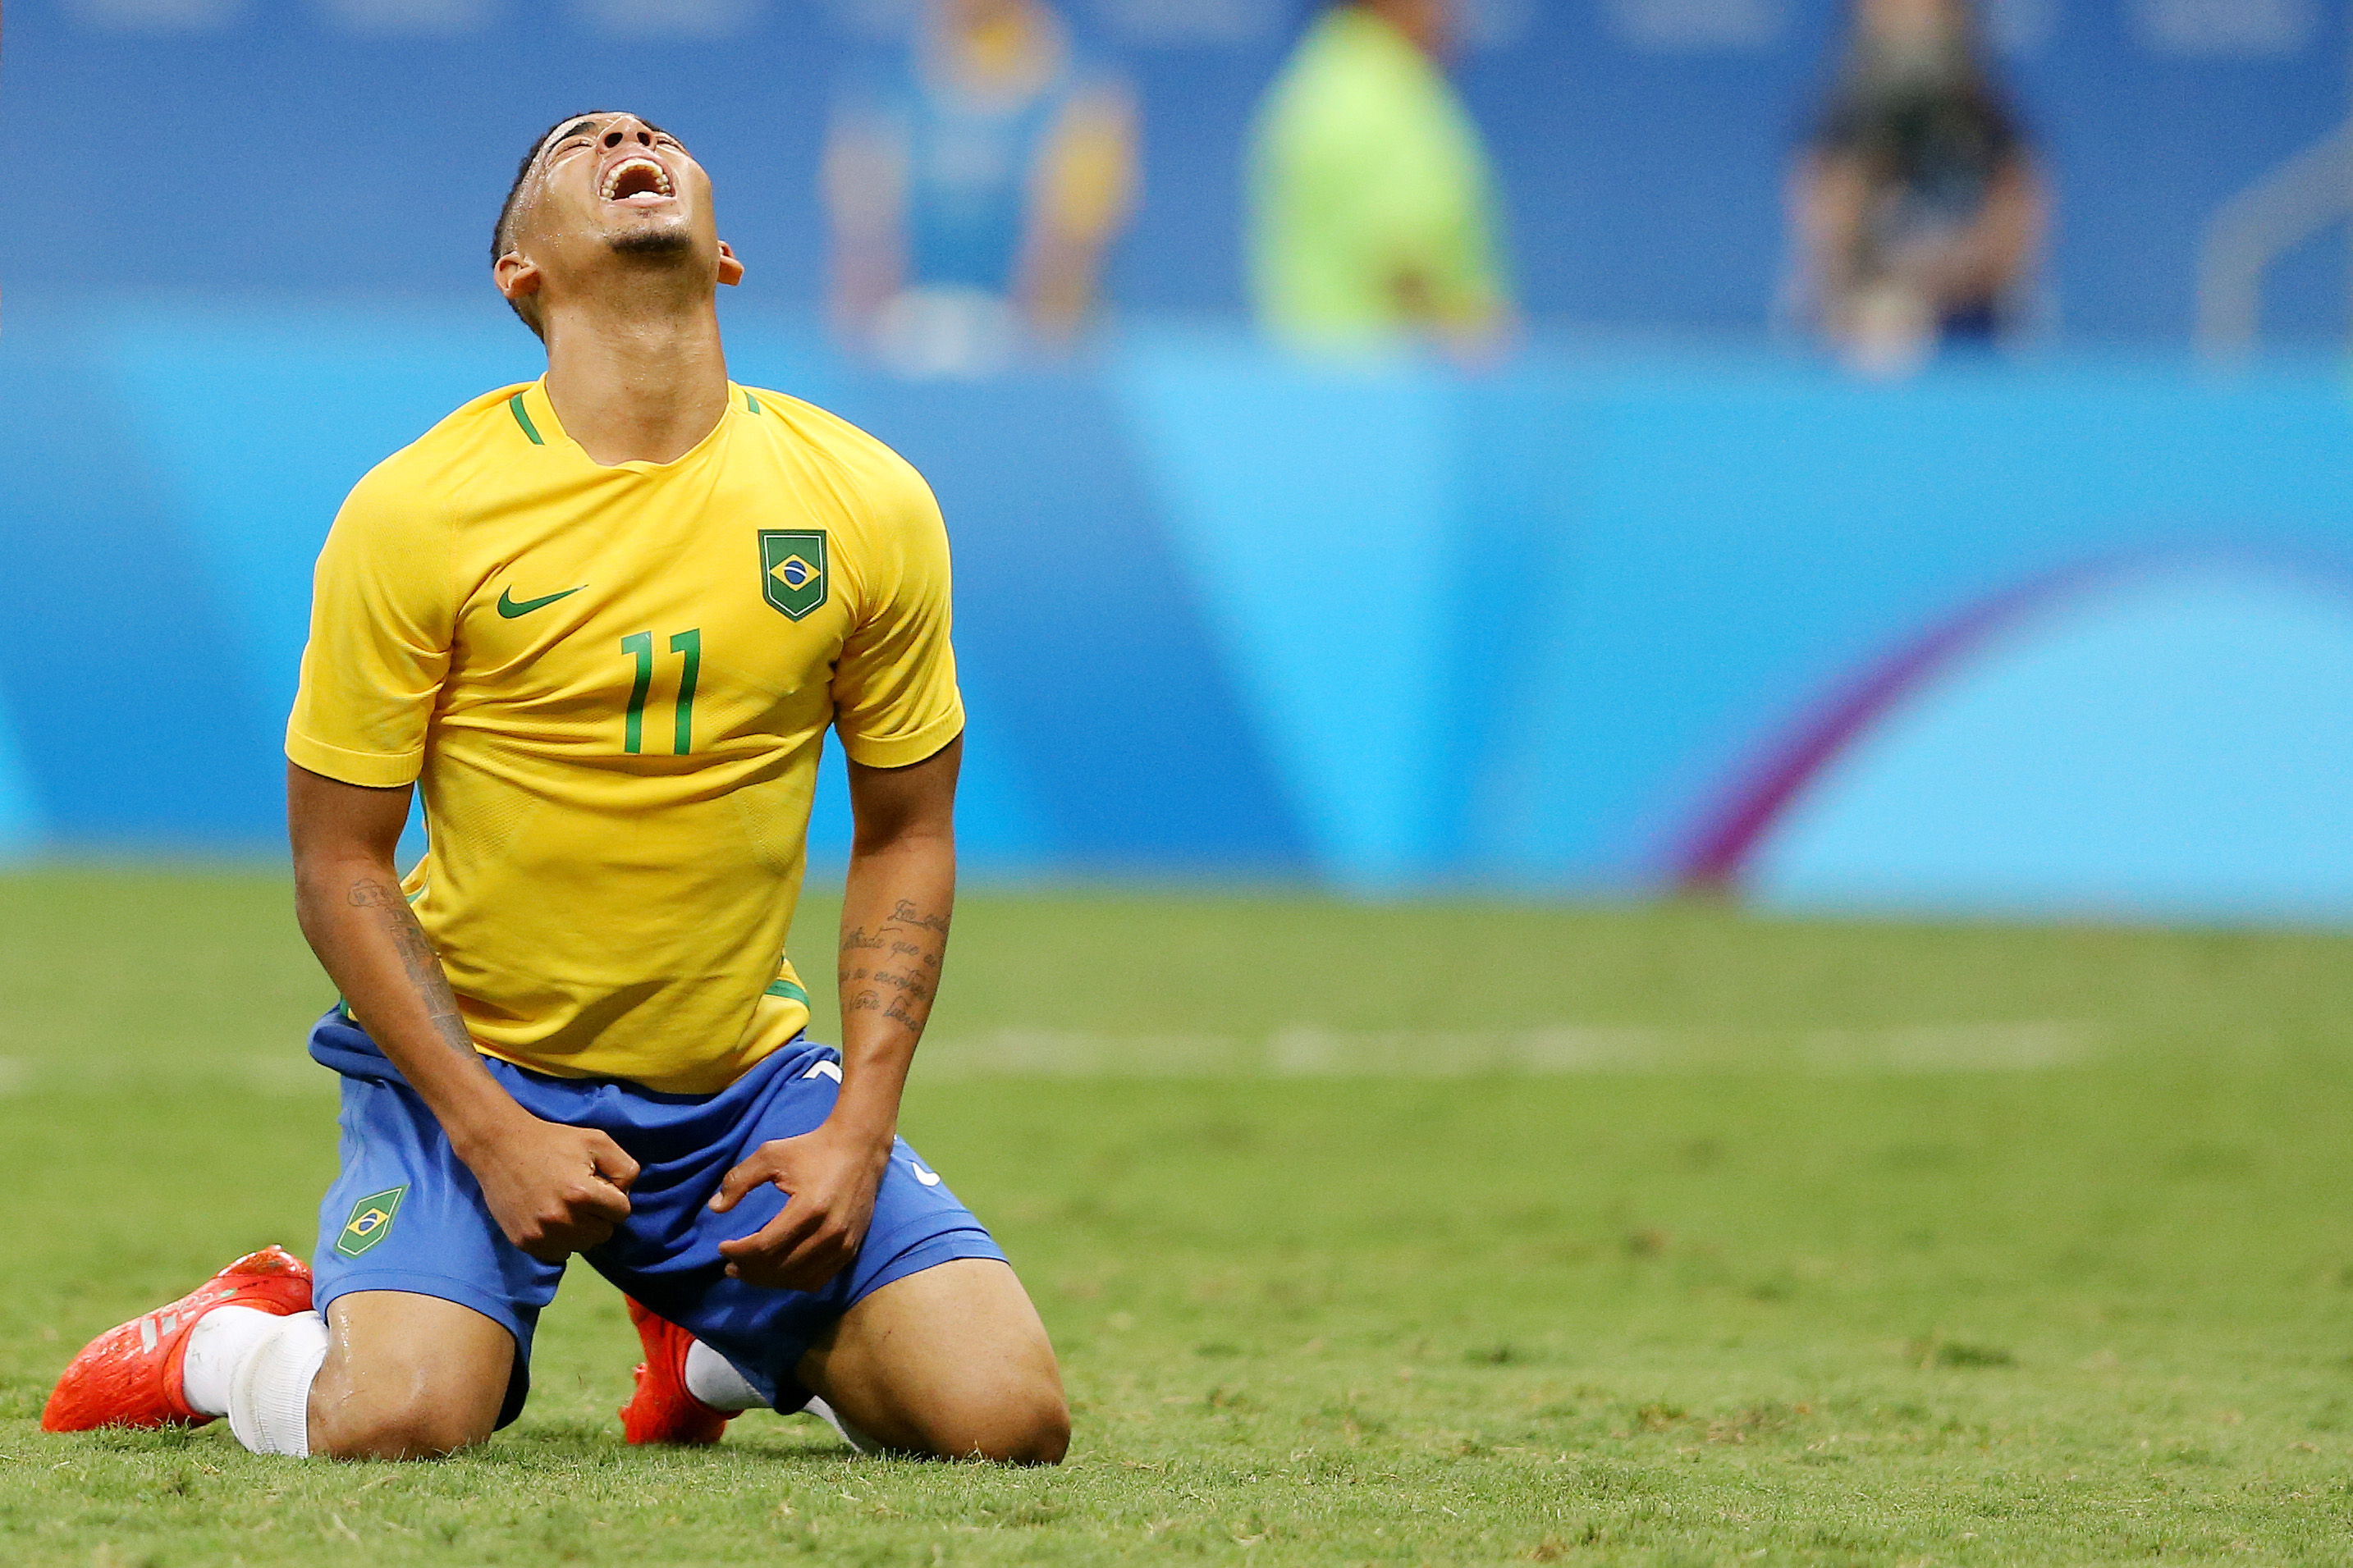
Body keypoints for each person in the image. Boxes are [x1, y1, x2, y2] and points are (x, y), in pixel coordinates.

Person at [42, 111, 1071, 1465]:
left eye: (653, 134)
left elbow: (906, 829)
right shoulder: (420, 510)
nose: (627, 135)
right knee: (404, 1419)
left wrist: (859, 1130)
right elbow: (337, 863)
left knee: (1006, 1420)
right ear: (521, 271)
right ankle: (225, 1337)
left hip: (739, 1090)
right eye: (578, 144)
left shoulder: (864, 502)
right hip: (470, 1076)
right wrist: (490, 1126)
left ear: (728, 255)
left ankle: (706, 1349)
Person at [825, 0, 1138, 377]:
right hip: (901, 355)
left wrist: (1026, 363)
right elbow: (863, 250)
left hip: (1038, 361)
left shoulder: (1084, 94)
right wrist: (868, 359)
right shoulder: (884, 89)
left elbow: (1070, 250)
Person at [1788, 0, 2045, 376]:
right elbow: (1831, 240)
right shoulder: (1844, 129)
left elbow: (2010, 242)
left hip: (1971, 341)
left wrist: (1931, 280)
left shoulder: (1992, 128)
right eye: (1891, 11)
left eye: (1925, 13)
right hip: (1862, 339)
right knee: (1880, 327)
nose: (1910, 25)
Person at [1246, 0, 1512, 359]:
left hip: (1327, 383)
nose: (1455, 11)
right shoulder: (1377, 95)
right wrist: (1469, 349)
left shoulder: (1325, 75)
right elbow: (1401, 256)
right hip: (1394, 389)